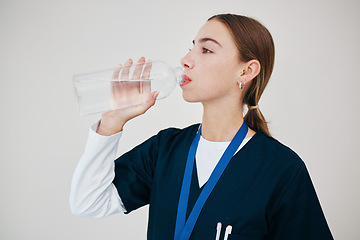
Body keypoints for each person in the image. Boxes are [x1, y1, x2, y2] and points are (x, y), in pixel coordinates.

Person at [70, 13, 333, 240]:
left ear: (246, 71)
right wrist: (113, 121)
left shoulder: (281, 169)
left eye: (206, 50)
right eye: (191, 47)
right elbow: (87, 202)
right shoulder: (165, 149)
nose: (185, 59)